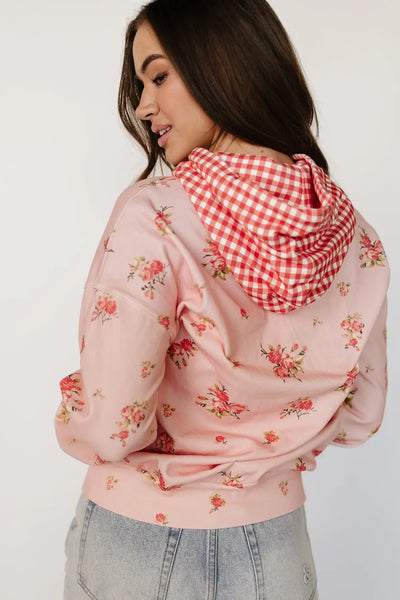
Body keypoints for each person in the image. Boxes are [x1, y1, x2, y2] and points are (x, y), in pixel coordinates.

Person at [55, 1, 389, 598]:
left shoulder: (156, 214)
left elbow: (112, 427)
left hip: (138, 542)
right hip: (277, 546)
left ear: (223, 63)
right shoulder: (353, 235)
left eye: (159, 75)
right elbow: (362, 416)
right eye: (141, 86)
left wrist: (72, 413)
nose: (144, 106)